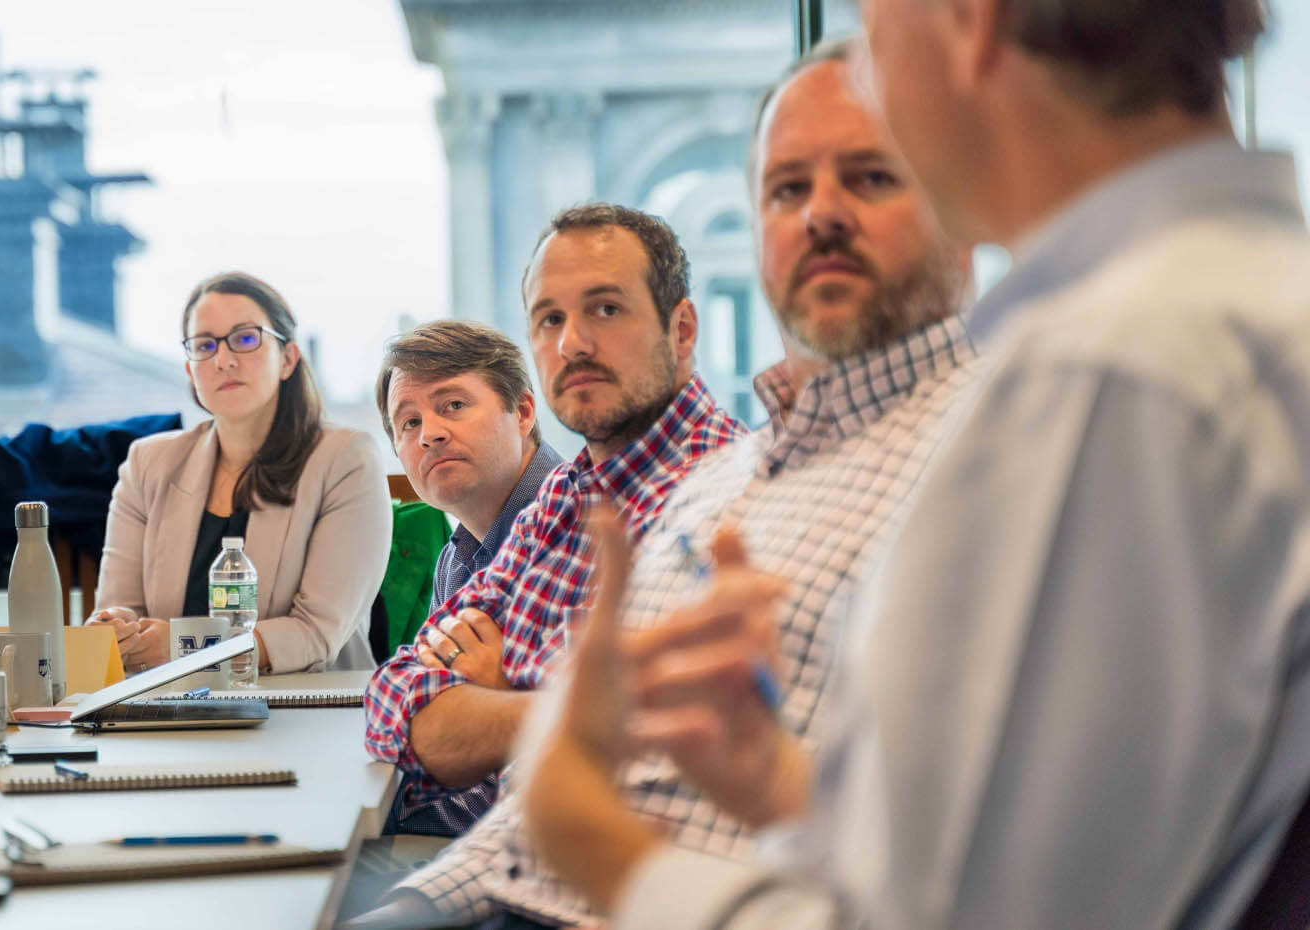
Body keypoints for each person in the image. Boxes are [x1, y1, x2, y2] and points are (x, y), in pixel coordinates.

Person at [526, 3, 1310, 929]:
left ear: (967, 21)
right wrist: (790, 790)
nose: (863, 73)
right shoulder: (1238, 306)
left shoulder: (1105, 376)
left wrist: (584, 836)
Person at [347, 40, 977, 929]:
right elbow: (422, 716)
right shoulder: (721, 481)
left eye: (871, 177)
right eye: (787, 191)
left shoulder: (967, 454)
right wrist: (409, 908)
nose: (820, 216)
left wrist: (532, 716)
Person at [365, 204, 746, 836]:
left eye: (605, 308)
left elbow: (657, 752)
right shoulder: (563, 500)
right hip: (502, 859)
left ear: (681, 331)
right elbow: (391, 701)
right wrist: (551, 707)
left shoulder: (732, 491)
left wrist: (502, 695)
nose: (572, 342)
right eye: (550, 319)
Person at [88, 272, 390, 674]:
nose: (223, 360)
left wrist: (185, 648)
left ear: (288, 359)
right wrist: (117, 627)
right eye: (205, 345)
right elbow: (119, 604)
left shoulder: (347, 459)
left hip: (308, 709)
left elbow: (317, 634)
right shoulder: (147, 464)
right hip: (171, 710)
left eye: (245, 338)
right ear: (190, 370)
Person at [376, 320, 563, 615]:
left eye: (454, 405)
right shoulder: (453, 562)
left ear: (522, 412)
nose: (429, 434)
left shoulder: (581, 522)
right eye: (411, 423)